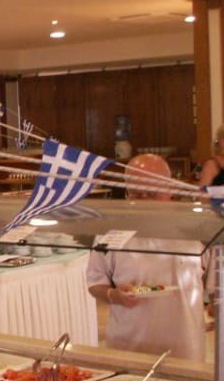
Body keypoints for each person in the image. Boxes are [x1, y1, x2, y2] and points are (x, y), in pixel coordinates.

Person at [86, 154, 208, 361]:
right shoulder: (111, 230)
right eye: (136, 193)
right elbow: (94, 281)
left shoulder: (195, 227)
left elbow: (218, 284)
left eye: (151, 193)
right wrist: (113, 295)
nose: (143, 200)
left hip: (185, 346)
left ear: (170, 189)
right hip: (129, 345)